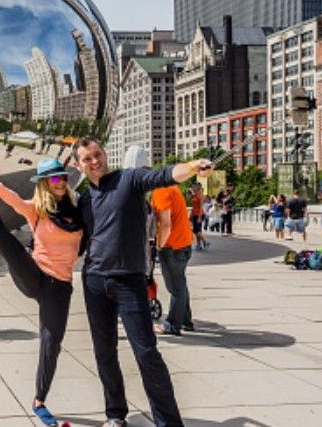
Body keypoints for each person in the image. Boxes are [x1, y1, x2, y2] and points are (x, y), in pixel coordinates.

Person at [72, 136, 213, 427]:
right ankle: (115, 414)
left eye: (97, 154)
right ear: (78, 165)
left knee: (146, 352)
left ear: (105, 154)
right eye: (87, 158)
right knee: (104, 352)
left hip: (129, 282)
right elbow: (79, 239)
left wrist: (192, 167)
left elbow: (164, 175)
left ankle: (169, 422)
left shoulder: (129, 179)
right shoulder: (85, 199)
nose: (94, 161)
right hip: (95, 281)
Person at [0, 160, 81, 426]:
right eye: (55, 179)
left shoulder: (79, 212)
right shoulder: (37, 211)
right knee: (12, 248)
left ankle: (39, 400)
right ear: (44, 183)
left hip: (60, 287)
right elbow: (13, 199)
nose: (61, 183)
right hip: (34, 275)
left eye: (63, 177)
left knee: (51, 343)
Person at [151, 183, 196, 336]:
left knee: (176, 288)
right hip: (183, 243)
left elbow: (165, 223)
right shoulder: (173, 188)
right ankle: (185, 321)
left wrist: (159, 245)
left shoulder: (161, 191)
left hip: (172, 246)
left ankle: (172, 325)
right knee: (180, 284)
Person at [189, 183, 208, 250]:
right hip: (194, 214)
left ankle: (205, 242)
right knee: (198, 231)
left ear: (198, 187)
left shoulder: (200, 194)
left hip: (199, 214)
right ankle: (198, 244)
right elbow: (193, 206)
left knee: (196, 230)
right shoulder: (194, 194)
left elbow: (201, 207)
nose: (192, 187)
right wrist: (191, 214)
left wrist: (199, 217)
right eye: (192, 186)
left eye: (194, 186)